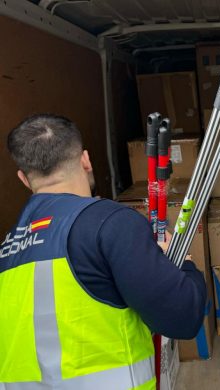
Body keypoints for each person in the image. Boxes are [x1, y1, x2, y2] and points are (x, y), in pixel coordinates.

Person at [0, 114, 207, 388]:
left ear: (24, 179)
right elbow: (183, 317)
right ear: (85, 160)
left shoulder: (7, 247)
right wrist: (184, 264)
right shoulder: (111, 224)